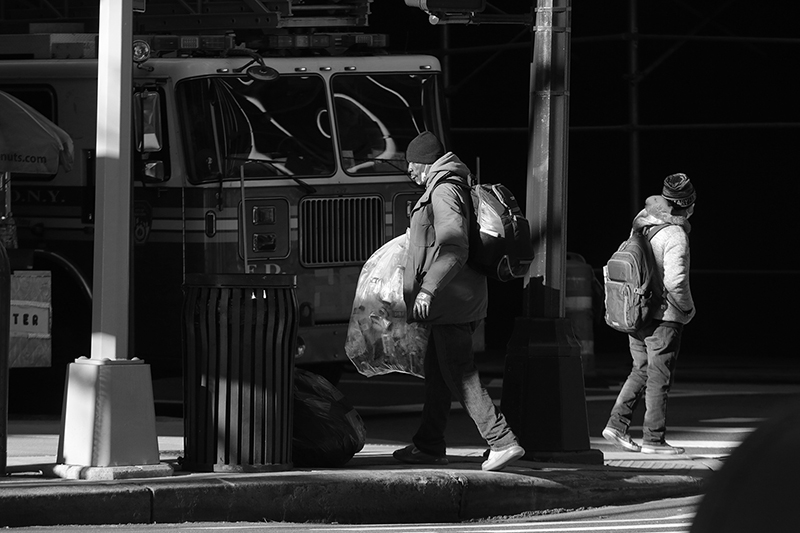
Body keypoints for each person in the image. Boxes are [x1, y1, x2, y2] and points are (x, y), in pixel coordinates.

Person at [391, 131, 525, 471]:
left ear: (423, 163)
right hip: (455, 298)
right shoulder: (446, 186)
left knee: (461, 374)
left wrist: (428, 288)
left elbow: (454, 245)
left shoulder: (445, 189)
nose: (409, 171)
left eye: (411, 164)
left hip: (452, 298)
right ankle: (429, 444)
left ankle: (502, 440)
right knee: (439, 373)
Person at [602, 173, 697, 455]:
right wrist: (687, 308)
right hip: (664, 317)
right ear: (688, 204)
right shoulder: (676, 235)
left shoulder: (641, 226)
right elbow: (676, 282)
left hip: (636, 310)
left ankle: (617, 425)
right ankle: (654, 440)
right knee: (659, 378)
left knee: (640, 370)